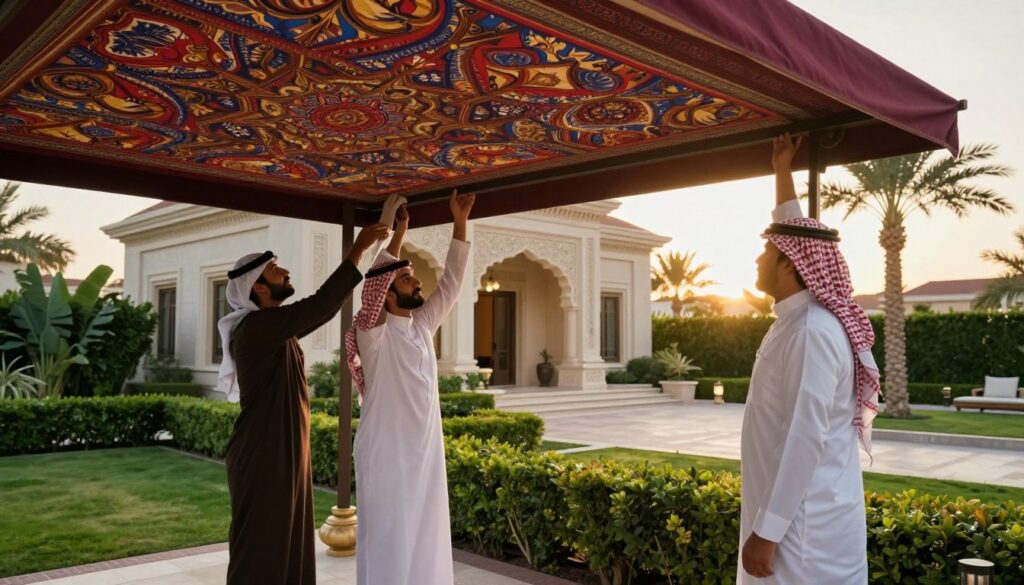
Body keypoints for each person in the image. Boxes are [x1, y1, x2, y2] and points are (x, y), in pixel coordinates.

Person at [739, 134, 880, 584]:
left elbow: (806, 436)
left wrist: (769, 530)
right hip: (793, 516)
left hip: (805, 528)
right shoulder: (800, 319)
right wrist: (782, 170)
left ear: (790, 265)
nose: (758, 258)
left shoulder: (811, 332)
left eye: (767, 251)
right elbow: (791, 226)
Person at [218, 222, 390, 585]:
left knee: (288, 541)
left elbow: (319, 309)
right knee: (261, 546)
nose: (286, 271)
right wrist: (357, 250)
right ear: (257, 287)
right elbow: (322, 306)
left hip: (282, 450)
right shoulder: (255, 328)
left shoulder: (275, 330)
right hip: (263, 453)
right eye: (275, 270)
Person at [346, 189, 475, 585]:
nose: (417, 280)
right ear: (385, 297)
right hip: (386, 455)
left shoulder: (421, 328)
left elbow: (452, 284)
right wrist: (393, 237)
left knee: (425, 534)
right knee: (390, 537)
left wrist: (459, 221)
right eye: (406, 278)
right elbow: (375, 281)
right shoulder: (373, 337)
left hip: (424, 454)